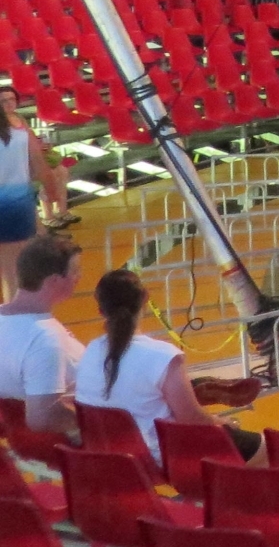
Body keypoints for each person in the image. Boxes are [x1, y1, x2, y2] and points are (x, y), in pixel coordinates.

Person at [75, 268, 264, 465]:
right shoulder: (163, 355)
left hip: (111, 456)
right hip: (163, 456)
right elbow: (191, 419)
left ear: (101, 310)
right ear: (145, 298)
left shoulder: (90, 351)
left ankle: (199, 389)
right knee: (266, 448)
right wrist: (222, 422)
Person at [0, 233, 84, 439]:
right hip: (68, 444)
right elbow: (42, 417)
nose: (79, 277)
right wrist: (98, 422)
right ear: (54, 280)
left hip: (19, 444)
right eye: (74, 271)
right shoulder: (45, 337)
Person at [0, 86, 53, 301]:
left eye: (11, 99)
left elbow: (35, 159)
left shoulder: (21, 123)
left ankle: (17, 304)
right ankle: (12, 307)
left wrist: (47, 183)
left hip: (20, 196)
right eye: (4, 100)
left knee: (22, 258)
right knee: (10, 263)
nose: (8, 104)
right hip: (8, 199)